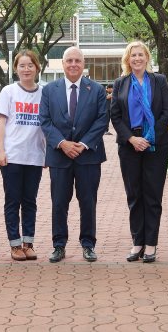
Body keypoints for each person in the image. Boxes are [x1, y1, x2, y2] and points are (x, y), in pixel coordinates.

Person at [39, 47, 109, 263]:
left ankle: (88, 244)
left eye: (77, 60)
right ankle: (59, 245)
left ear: (83, 63)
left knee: (88, 202)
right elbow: (45, 120)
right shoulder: (49, 90)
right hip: (59, 156)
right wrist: (62, 143)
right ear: (63, 64)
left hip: (88, 156)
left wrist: (83, 144)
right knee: (59, 202)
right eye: (69, 60)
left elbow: (102, 120)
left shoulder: (96, 90)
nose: (73, 64)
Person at [110, 41, 168, 263]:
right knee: (134, 195)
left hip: (156, 145)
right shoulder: (120, 83)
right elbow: (115, 116)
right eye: (133, 55)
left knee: (153, 196)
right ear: (127, 60)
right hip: (129, 146)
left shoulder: (159, 81)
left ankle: (151, 244)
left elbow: (167, 112)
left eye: (140, 54)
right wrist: (132, 139)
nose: (137, 58)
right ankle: (137, 242)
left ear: (147, 57)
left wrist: (148, 137)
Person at [0, 50, 46, 261]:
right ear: (16, 68)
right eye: (22, 65)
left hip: (35, 156)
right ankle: (15, 245)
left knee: (30, 201)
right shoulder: (8, 91)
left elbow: (47, 126)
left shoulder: (44, 93)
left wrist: (47, 153)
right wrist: (1, 151)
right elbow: (1, 123)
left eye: (30, 65)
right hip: (13, 156)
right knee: (13, 201)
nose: (26, 69)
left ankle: (28, 243)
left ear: (37, 68)